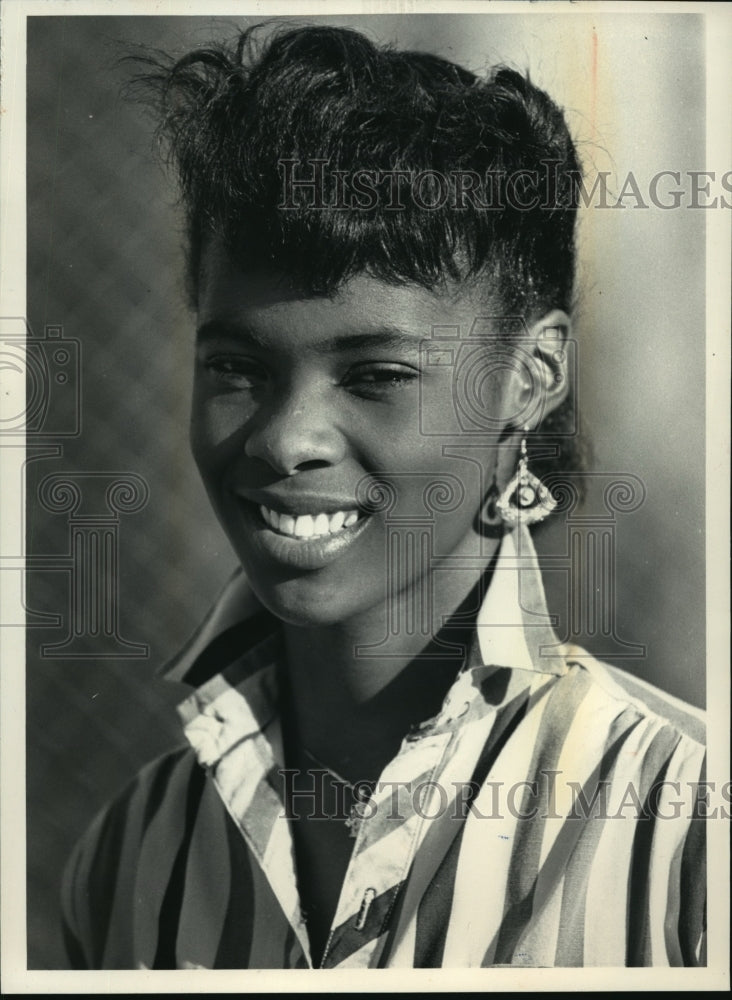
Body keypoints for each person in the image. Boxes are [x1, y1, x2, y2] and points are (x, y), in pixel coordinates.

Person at [60, 24, 706, 969]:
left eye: (376, 375)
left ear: (532, 374)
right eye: (237, 367)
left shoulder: (684, 826)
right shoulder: (129, 859)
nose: (286, 439)